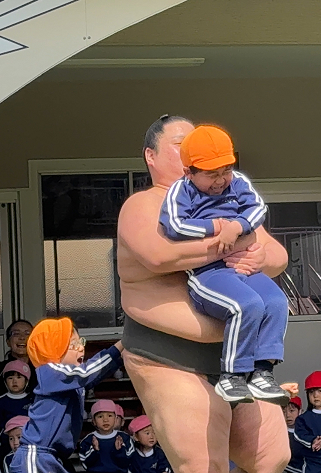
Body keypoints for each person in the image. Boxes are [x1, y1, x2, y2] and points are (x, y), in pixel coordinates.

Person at [118, 115, 290, 472]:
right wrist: (234, 240)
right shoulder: (144, 204)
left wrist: (258, 254)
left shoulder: (230, 197)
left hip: (240, 356)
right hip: (169, 358)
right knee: (203, 466)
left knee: (272, 458)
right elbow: (160, 256)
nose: (192, 151)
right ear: (151, 156)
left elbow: (277, 255)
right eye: (180, 145)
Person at [158, 124, 289, 405]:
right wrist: (217, 227)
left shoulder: (238, 182)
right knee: (245, 305)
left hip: (243, 269)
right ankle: (232, 375)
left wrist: (237, 226)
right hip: (207, 275)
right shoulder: (181, 191)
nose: (220, 181)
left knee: (276, 301)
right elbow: (174, 225)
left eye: (225, 171)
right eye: (211, 174)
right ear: (189, 172)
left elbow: (258, 208)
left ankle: (262, 372)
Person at [10, 317, 123, 473]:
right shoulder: (50, 372)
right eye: (73, 344)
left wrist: (121, 358)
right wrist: (121, 345)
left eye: (81, 342)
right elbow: (87, 373)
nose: (81, 348)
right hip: (36, 455)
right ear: (54, 349)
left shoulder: (69, 381)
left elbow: (94, 376)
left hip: (53, 457)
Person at [0, 359, 34, 463]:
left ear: (26, 381)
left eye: (19, 377)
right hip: (7, 440)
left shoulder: (32, 399)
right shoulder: (2, 400)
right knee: (6, 461)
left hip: (28, 439)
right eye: (10, 378)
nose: (14, 381)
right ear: (5, 382)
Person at [79, 399, 134, 472]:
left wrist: (119, 451)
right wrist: (95, 451)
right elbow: (85, 463)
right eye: (100, 416)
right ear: (94, 421)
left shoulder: (124, 438)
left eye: (110, 416)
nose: (105, 420)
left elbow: (130, 462)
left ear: (115, 419)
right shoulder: (89, 440)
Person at [285, 396, 307, 473]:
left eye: (291, 411)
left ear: (300, 411)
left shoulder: (307, 433)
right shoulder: (280, 434)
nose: (287, 415)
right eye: (284, 411)